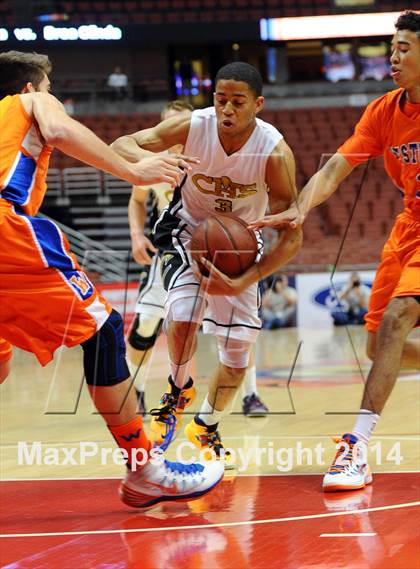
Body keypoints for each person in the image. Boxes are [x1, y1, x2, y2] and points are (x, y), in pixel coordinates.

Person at [0, 50, 223, 506]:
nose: (51, 97)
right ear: (29, 89)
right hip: (5, 226)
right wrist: (133, 169)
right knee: (103, 331)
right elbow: (58, 128)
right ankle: (147, 470)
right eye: (48, 89)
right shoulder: (26, 103)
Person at [250, 11, 420, 491]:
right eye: (393, 48)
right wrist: (299, 208)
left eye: (404, 47)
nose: (394, 56)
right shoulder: (384, 112)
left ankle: (357, 445)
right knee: (376, 346)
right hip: (409, 228)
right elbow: (333, 170)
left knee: (397, 318)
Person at [112, 61, 302, 464]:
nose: (227, 110)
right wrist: (145, 165)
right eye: (220, 100)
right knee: (180, 316)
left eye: (237, 102)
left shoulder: (274, 151)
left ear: (258, 104)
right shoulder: (193, 126)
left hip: (241, 243)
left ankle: (206, 425)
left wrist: (245, 279)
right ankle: (178, 388)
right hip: (187, 232)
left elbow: (292, 235)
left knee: (235, 360)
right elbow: (123, 144)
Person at [126, 101, 270, 419]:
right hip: (172, 251)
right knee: (148, 323)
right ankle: (135, 389)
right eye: (167, 123)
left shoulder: (212, 157)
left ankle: (252, 395)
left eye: (179, 123)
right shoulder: (155, 162)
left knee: (239, 328)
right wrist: (137, 235)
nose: (173, 130)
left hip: (214, 250)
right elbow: (136, 201)